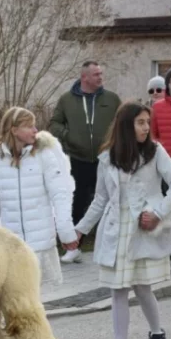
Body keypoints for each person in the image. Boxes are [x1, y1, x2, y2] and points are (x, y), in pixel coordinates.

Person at [74, 102, 171, 339]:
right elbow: (100, 198)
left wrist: (158, 213)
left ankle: (157, 335)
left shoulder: (155, 152)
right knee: (118, 290)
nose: (147, 128)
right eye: (140, 122)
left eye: (148, 122)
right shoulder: (107, 158)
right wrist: (79, 230)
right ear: (126, 125)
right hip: (116, 229)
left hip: (143, 228)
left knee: (142, 287)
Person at [0, 107, 78, 287]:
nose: (35, 130)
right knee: (15, 303)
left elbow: (60, 195)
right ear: (14, 130)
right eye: (29, 126)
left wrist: (66, 231)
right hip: (12, 245)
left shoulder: (44, 156)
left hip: (40, 245)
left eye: (35, 126)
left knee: (38, 303)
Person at [49, 61, 122, 263]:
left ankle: (112, 247)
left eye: (101, 73)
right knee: (78, 204)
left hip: (106, 159)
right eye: (96, 74)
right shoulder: (67, 100)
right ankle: (73, 247)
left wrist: (114, 142)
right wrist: (68, 136)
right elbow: (54, 123)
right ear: (85, 77)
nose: (100, 77)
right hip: (78, 160)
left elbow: (122, 122)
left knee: (109, 203)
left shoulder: (112, 99)